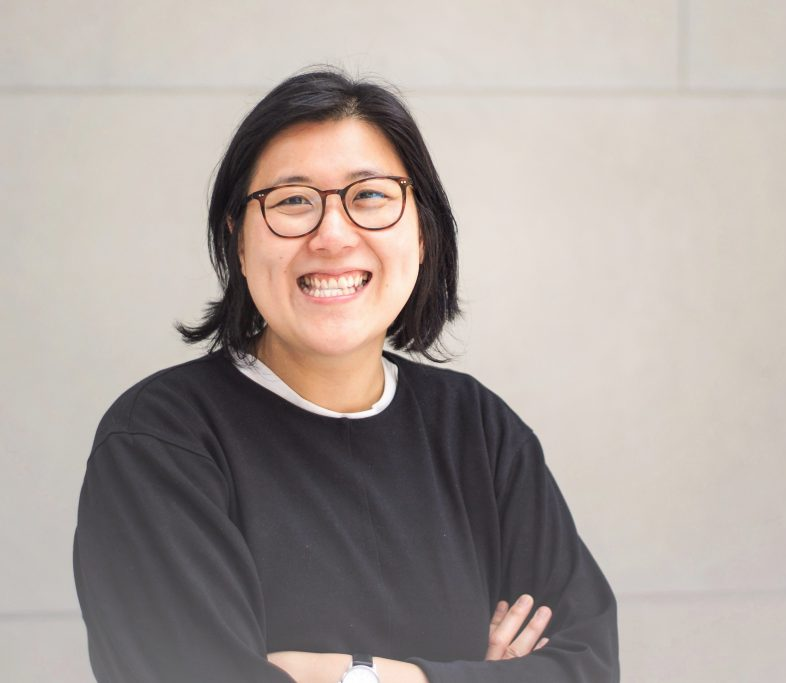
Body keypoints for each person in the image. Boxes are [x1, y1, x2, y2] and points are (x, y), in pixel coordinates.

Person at [73, 68, 619, 683]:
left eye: (370, 197)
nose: (332, 236)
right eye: (293, 201)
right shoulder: (161, 440)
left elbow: (589, 666)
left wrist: (366, 676)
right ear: (239, 242)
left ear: (422, 233)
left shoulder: (479, 431)